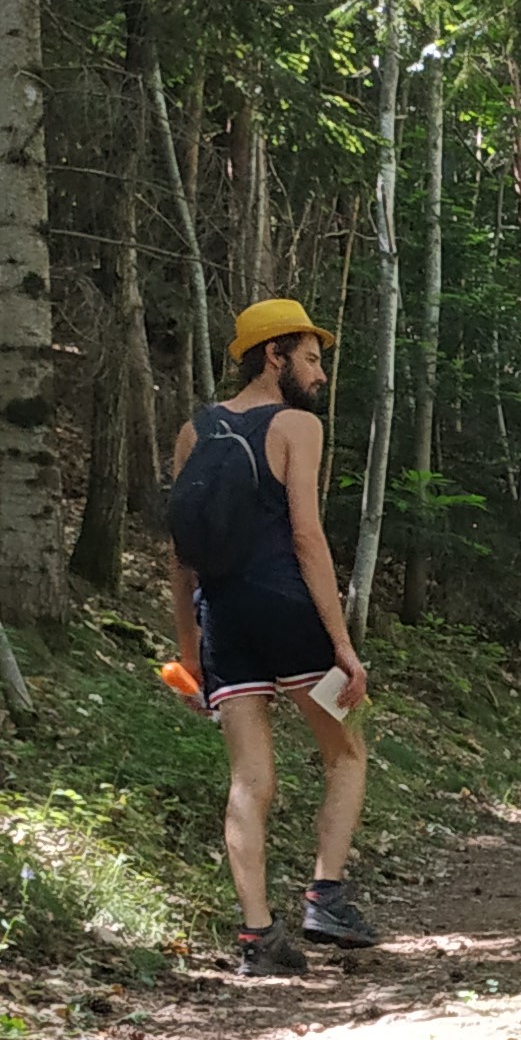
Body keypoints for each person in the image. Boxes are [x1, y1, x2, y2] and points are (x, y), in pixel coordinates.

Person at [165, 298, 377, 979]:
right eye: (310, 359)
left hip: (224, 621)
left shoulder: (194, 431)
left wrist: (190, 653)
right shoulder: (296, 426)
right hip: (291, 615)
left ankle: (257, 936)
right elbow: (307, 537)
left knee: (248, 779)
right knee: (347, 749)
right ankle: (326, 897)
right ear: (273, 355)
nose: (320, 374)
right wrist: (342, 645)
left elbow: (181, 555)